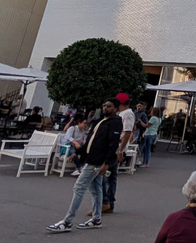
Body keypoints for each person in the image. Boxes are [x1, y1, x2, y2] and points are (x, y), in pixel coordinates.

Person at [48, 98, 123, 232]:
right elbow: (91, 142)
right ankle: (96, 219)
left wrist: (106, 163)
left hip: (96, 162)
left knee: (79, 187)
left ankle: (67, 221)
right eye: (104, 105)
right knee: (96, 188)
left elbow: (113, 144)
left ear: (116, 109)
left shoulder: (115, 123)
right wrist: (78, 152)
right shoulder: (101, 121)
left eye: (109, 106)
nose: (105, 108)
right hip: (92, 160)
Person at [105, 93, 134, 214]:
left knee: (105, 175)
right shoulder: (121, 114)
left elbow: (127, 132)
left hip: (116, 148)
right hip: (114, 148)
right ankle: (109, 202)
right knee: (110, 176)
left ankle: (106, 201)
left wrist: (120, 150)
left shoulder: (127, 114)